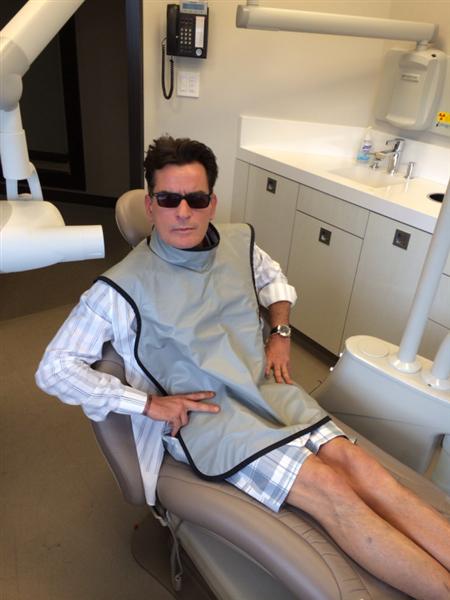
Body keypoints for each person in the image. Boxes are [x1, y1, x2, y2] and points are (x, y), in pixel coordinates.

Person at [36, 136, 450, 599]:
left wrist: (280, 333)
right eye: (168, 200)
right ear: (150, 206)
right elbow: (54, 368)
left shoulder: (237, 244)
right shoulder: (119, 288)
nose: (183, 212)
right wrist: (148, 404)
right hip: (211, 418)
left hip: (265, 389)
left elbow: (275, 281)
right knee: (329, 488)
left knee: (363, 468)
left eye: (195, 199)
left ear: (211, 203)